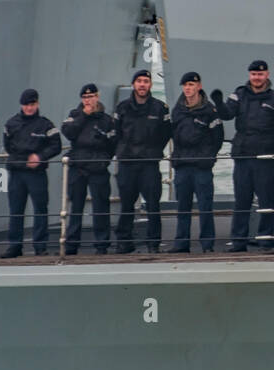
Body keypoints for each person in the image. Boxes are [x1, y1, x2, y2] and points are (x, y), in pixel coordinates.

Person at [212, 60, 274, 252]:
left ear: (267, 75)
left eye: (260, 74)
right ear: (249, 75)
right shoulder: (239, 94)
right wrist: (219, 103)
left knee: (267, 202)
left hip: (265, 157)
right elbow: (227, 114)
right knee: (241, 201)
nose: (256, 77)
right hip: (243, 156)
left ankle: (265, 239)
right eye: (253, 74)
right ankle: (238, 241)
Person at [113, 69, 172, 254]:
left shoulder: (160, 108)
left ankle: (153, 243)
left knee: (153, 205)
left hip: (149, 163)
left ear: (150, 85)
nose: (142, 84)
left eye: (146, 81)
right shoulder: (122, 108)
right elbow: (116, 133)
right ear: (133, 84)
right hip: (128, 163)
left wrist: (153, 150)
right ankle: (124, 242)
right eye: (139, 81)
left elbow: (166, 133)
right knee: (127, 204)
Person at [167, 72, 225, 253]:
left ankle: (207, 244)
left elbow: (218, 138)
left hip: (201, 167)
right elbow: (172, 134)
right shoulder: (177, 110)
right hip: (183, 166)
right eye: (185, 85)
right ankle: (181, 243)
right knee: (182, 207)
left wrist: (207, 157)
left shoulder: (210, 110)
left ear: (199, 86)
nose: (188, 88)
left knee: (205, 207)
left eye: (191, 84)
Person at [1, 89, 61, 258]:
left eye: (32, 104)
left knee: (40, 209)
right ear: (21, 105)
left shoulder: (46, 125)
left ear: (37, 104)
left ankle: (40, 246)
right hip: (17, 173)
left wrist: (40, 157)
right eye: (26, 105)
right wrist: (23, 158)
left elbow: (55, 145)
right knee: (16, 210)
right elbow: (8, 145)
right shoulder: (11, 124)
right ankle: (14, 246)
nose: (29, 108)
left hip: (37, 174)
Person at [62, 84, 117, 255]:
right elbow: (68, 132)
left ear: (97, 97)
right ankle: (71, 245)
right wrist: (83, 116)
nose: (88, 100)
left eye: (91, 96)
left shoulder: (107, 120)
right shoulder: (74, 115)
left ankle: (102, 245)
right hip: (78, 166)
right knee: (75, 207)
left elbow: (113, 144)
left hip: (98, 168)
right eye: (85, 97)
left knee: (101, 207)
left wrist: (103, 161)